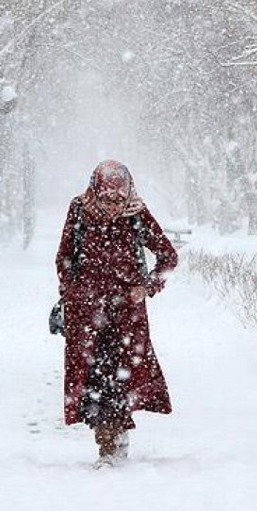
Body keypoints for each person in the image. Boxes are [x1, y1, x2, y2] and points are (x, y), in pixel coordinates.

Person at [55, 159, 178, 467]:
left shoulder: (137, 214)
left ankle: (114, 444)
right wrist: (73, 293)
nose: (113, 205)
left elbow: (168, 256)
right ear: (96, 191)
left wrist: (146, 287)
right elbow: (64, 257)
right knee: (93, 380)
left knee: (120, 379)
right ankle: (106, 441)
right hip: (87, 314)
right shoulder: (80, 210)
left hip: (127, 316)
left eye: (119, 199)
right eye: (108, 198)